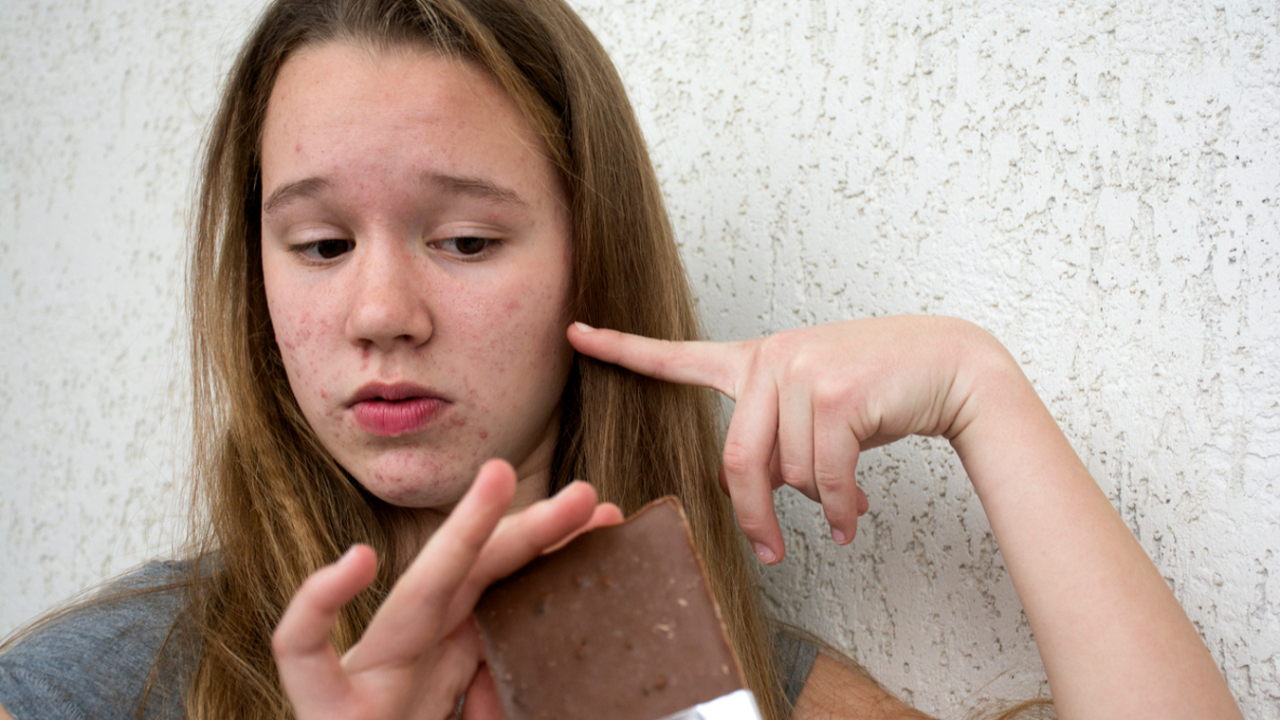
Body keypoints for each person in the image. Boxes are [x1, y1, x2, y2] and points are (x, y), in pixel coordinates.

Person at [0, 0, 1245, 718]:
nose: (380, 309)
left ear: (587, 265)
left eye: (467, 238)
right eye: (318, 243)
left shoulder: (743, 688)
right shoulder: (99, 684)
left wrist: (982, 389)